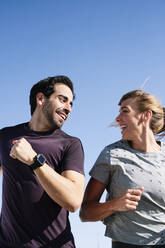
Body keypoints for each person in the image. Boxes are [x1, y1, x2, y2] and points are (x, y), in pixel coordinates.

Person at [0, 76, 85, 248]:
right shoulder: (5, 136)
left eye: (71, 104)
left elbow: (73, 201)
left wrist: (34, 160)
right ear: (40, 99)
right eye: (63, 100)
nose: (68, 108)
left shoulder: (70, 144)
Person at [80, 89, 165, 247]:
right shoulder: (112, 154)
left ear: (146, 115)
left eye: (125, 111)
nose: (117, 119)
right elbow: (85, 213)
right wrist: (114, 204)